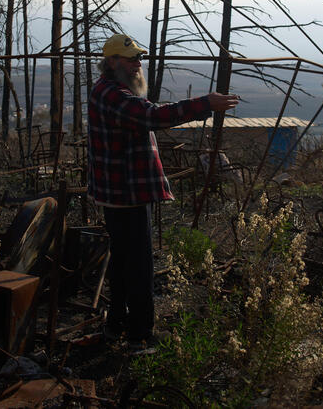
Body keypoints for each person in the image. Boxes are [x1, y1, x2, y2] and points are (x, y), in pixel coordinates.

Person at [87, 33, 238, 348]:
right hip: (125, 194)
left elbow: (145, 117)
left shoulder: (112, 90)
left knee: (124, 262)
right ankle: (141, 336)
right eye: (131, 59)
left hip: (121, 192)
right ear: (112, 62)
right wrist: (203, 104)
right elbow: (152, 116)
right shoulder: (113, 94)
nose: (137, 64)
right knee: (139, 265)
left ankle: (116, 325)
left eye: (138, 58)